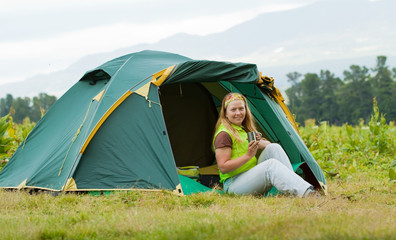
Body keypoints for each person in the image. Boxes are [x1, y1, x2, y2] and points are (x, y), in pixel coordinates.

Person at [213, 92, 315, 197]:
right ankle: (307, 194)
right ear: (225, 113)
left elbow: (270, 149)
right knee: (270, 165)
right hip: (234, 185)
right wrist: (248, 156)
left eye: (241, 108)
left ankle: (294, 189)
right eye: (233, 109)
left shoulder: (242, 130)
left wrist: (262, 143)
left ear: (246, 110)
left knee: (273, 147)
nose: (238, 113)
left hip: (249, 176)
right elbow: (223, 167)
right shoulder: (224, 134)